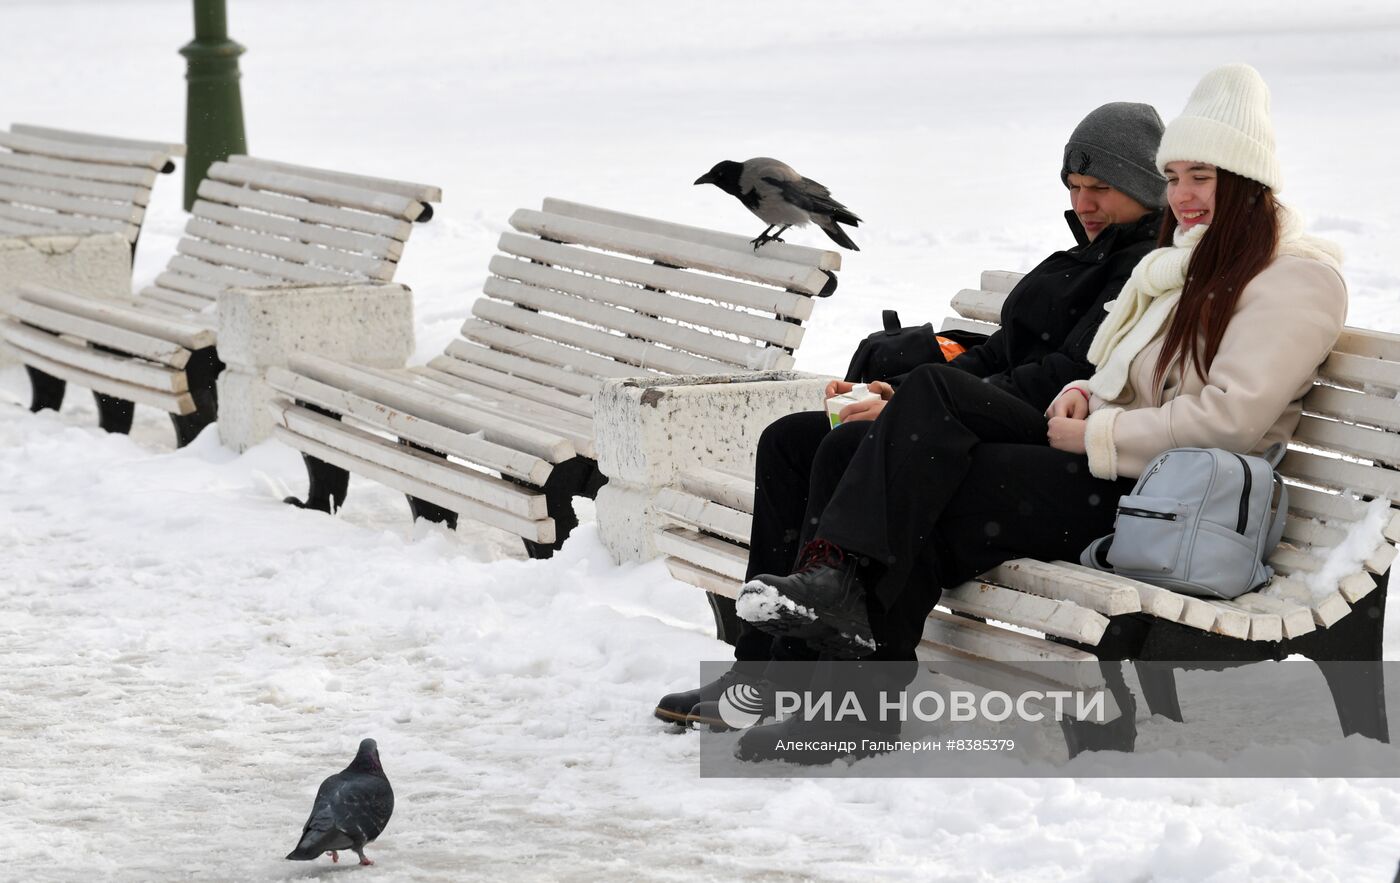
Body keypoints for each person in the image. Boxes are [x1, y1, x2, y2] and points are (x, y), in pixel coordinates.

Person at [732, 62, 1347, 763]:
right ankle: (849, 693)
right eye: (1173, 176)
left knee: (927, 414)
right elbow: (1125, 373)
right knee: (866, 457)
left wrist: (1099, 429)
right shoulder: (1185, 266)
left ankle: (834, 602)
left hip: (1159, 500)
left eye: (1199, 177)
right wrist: (1087, 396)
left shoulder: (1293, 278)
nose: (1180, 196)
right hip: (1114, 471)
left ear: (1244, 179)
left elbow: (1231, 420)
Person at [654, 100, 1169, 727]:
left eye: (1101, 190)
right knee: (792, 439)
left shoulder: (1140, 271)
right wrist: (899, 399)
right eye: (1074, 187)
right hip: (995, 423)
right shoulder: (1075, 260)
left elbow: (1066, 376)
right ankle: (761, 671)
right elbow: (1000, 353)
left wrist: (931, 403)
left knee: (857, 447)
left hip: (1062, 445)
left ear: (1146, 189)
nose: (1083, 204)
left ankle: (824, 673)